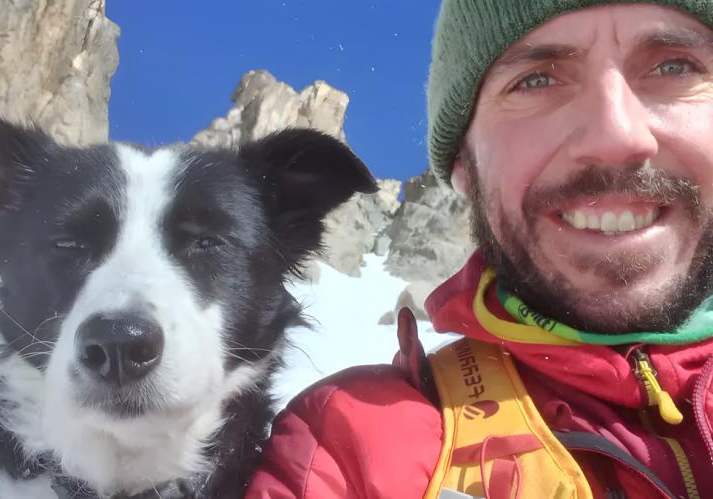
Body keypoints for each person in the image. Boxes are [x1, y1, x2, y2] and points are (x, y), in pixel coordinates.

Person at [245, 2, 713, 497]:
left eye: (675, 67)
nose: (616, 135)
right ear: (462, 166)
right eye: (535, 80)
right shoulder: (349, 449)